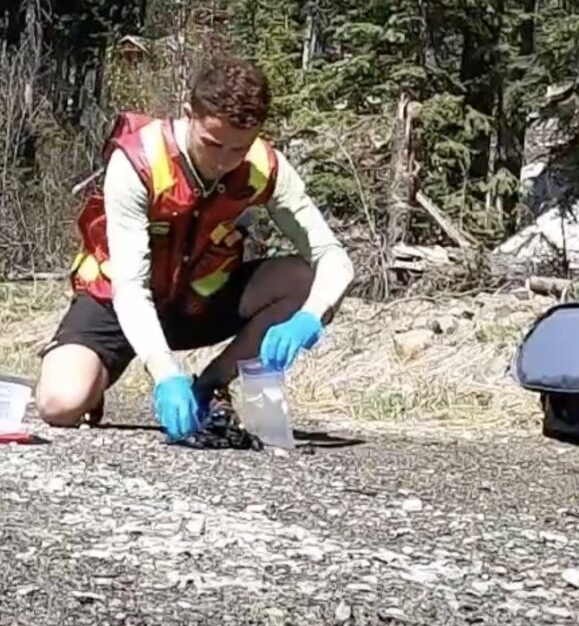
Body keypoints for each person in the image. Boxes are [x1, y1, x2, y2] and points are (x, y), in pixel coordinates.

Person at [33, 53, 353, 443]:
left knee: (302, 279)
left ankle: (211, 387)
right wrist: (165, 372)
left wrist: (311, 316)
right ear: (189, 114)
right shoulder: (136, 163)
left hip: (197, 303)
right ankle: (94, 382)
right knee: (60, 404)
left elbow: (333, 258)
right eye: (212, 143)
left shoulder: (266, 168)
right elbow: (131, 288)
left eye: (238, 149)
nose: (223, 161)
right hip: (118, 302)